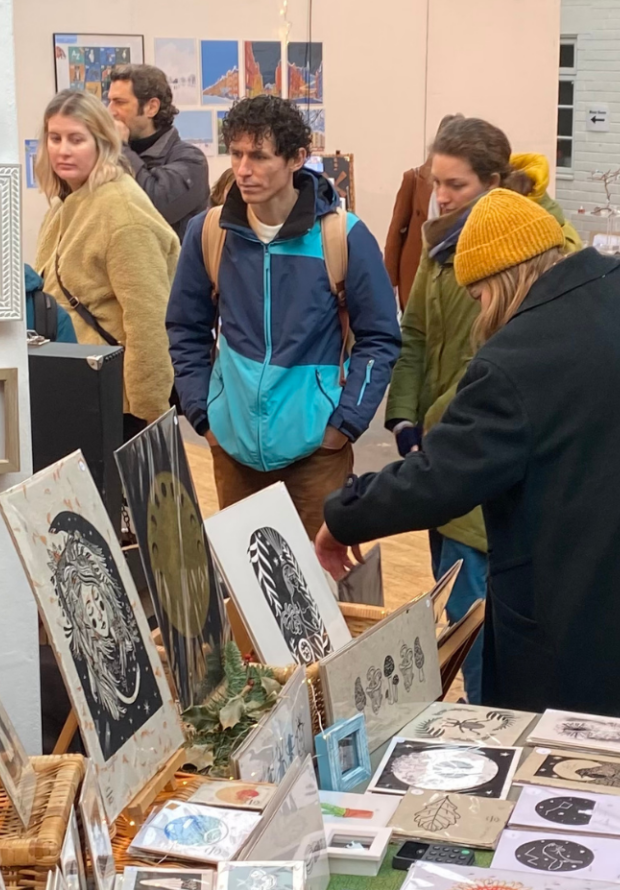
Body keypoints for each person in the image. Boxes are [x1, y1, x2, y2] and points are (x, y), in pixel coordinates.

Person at [314, 188, 620, 875]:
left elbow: (439, 475)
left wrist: (342, 515)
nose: (479, 314)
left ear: (499, 284)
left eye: (477, 298)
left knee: (583, 805)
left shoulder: (516, 359)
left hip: (586, 614)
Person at [381, 116, 578, 706]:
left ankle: (503, 733)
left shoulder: (545, 248)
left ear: (496, 182)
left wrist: (434, 431)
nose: (439, 197)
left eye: (456, 186)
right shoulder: (443, 242)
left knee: (498, 628)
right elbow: (414, 334)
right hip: (444, 460)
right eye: (434, 182)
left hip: (494, 460)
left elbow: (499, 364)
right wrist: (403, 418)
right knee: (463, 621)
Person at [166, 94, 401, 537]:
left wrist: (345, 424)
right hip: (232, 446)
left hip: (317, 453)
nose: (242, 169)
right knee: (247, 584)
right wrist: (203, 413)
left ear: (297, 158)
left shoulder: (343, 237)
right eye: (235, 153)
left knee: (320, 586)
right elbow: (185, 327)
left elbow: (380, 338)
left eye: (259, 156)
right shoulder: (209, 233)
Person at [35, 88, 182, 435]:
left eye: (76, 139)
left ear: (101, 142)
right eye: (55, 138)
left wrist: (151, 413)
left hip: (119, 403)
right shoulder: (66, 203)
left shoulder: (122, 210)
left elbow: (148, 321)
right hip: (77, 388)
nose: (63, 149)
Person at [107, 63, 211, 238]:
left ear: (151, 107)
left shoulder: (191, 160)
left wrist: (120, 148)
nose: (110, 111)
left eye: (119, 103)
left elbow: (152, 206)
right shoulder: (111, 155)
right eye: (109, 101)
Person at [382, 114, 458, 307]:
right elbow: (395, 234)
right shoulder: (414, 179)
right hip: (414, 269)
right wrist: (388, 284)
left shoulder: (465, 186)